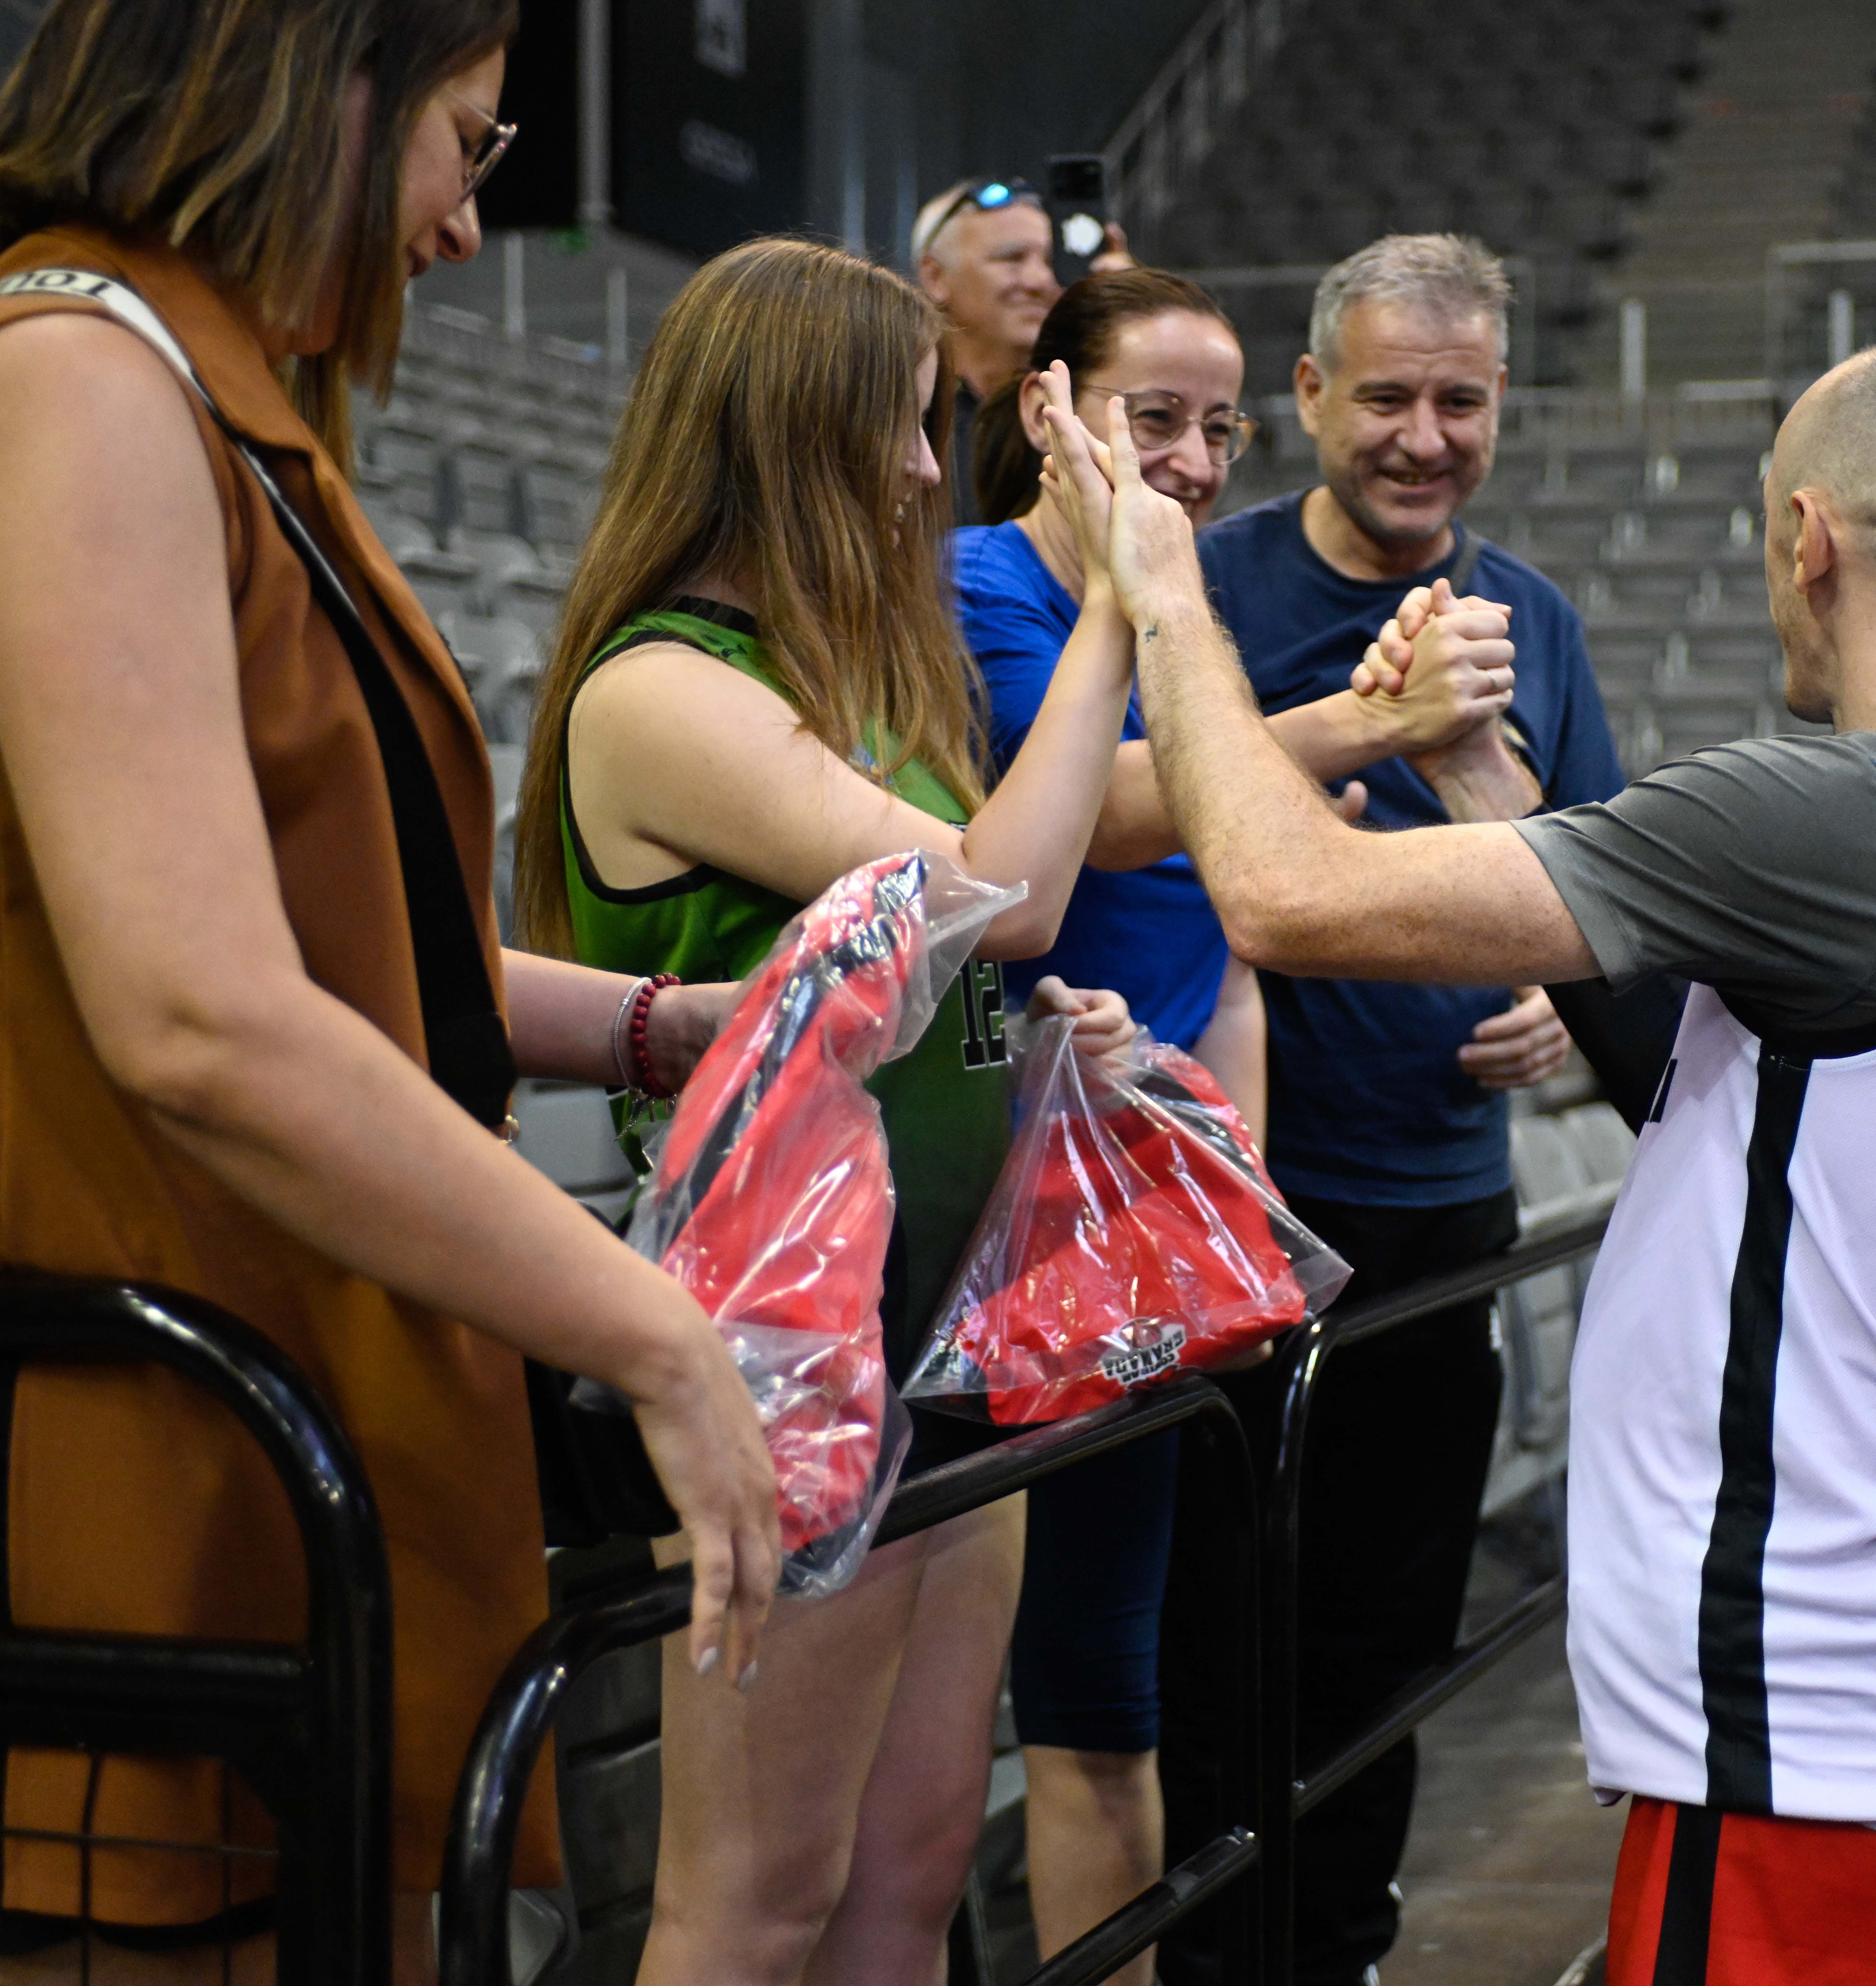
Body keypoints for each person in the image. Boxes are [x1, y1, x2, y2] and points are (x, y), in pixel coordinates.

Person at [0, 5, 780, 1981]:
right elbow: (203, 1013)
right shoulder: (73, 386)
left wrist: (660, 1025)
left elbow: (337, 932)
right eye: (467, 148)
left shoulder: (199, 404)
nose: (464, 230)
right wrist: (658, 1338)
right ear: (320, 90)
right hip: (129, 1434)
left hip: (270, 1401)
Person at [1048, 337, 1876, 1986]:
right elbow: (1692, 1061)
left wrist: (1162, 596)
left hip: (1823, 1722)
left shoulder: (1830, 813)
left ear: (1806, 541)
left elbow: (1284, 898)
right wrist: (1471, 770)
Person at [513, 237, 1135, 1986]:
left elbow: (980, 955)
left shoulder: (849, 679)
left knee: (910, 1876)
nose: (934, 471)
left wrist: (1034, 1038)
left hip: (946, 1337)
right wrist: (1113, 611)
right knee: (754, 1902)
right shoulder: (660, 688)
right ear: (791, 430)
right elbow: (992, 894)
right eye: (904, 424)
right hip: (790, 1351)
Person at [949, 265, 1519, 1986]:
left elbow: (1231, 952)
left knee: (1117, 1709)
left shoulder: (1168, 616)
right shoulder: (991, 593)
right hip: (1007, 1224)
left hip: (1156, 1244)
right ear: (1047, 413)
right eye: (1153, 420)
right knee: (1034, 1722)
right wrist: (1370, 720)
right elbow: (1069, 848)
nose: (1191, 462)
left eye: (1212, 429)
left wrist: (1240, 1234)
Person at [1151, 233, 1621, 1986]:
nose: (1423, 435)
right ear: (1306, 398)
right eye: (1386, 398)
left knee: (1378, 1671)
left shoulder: (1541, 624)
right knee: (1211, 1672)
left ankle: (1336, 1952)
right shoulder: (1204, 595)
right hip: (1229, 1219)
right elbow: (1127, 858)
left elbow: (1606, 915)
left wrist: (1552, 1037)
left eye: (1460, 399)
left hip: (1438, 1220)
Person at [913, 174, 1128, 528]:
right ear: (935, 277)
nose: (1039, 281)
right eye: (1012, 258)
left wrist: (1125, 316)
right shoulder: (902, 410)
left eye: (1050, 261)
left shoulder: (1087, 404)